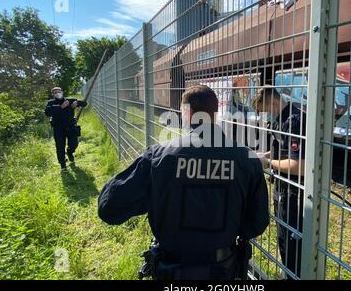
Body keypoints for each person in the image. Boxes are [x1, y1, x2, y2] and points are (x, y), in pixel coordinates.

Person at [98, 85, 269, 280]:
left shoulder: (158, 156)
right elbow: (257, 223)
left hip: (171, 269)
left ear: (186, 113)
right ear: (215, 113)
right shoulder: (246, 159)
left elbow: (108, 208)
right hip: (222, 269)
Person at [252, 87, 306, 279]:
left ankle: (294, 275)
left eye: (266, 110)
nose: (266, 115)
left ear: (273, 103)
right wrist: (262, 156)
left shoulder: (294, 121)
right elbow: (281, 152)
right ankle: (288, 272)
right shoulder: (281, 119)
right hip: (282, 189)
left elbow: (299, 165)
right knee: (283, 237)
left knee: (292, 241)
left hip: (294, 193)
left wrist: (267, 162)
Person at [45, 87, 87, 170]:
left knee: (74, 143)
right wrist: (61, 107)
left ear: (62, 92)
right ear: (53, 94)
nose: (57, 93)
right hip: (58, 128)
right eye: (55, 92)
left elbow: (84, 104)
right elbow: (47, 113)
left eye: (58, 91)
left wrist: (77, 103)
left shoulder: (69, 100)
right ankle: (63, 164)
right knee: (60, 146)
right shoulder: (51, 103)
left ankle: (70, 152)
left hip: (70, 126)